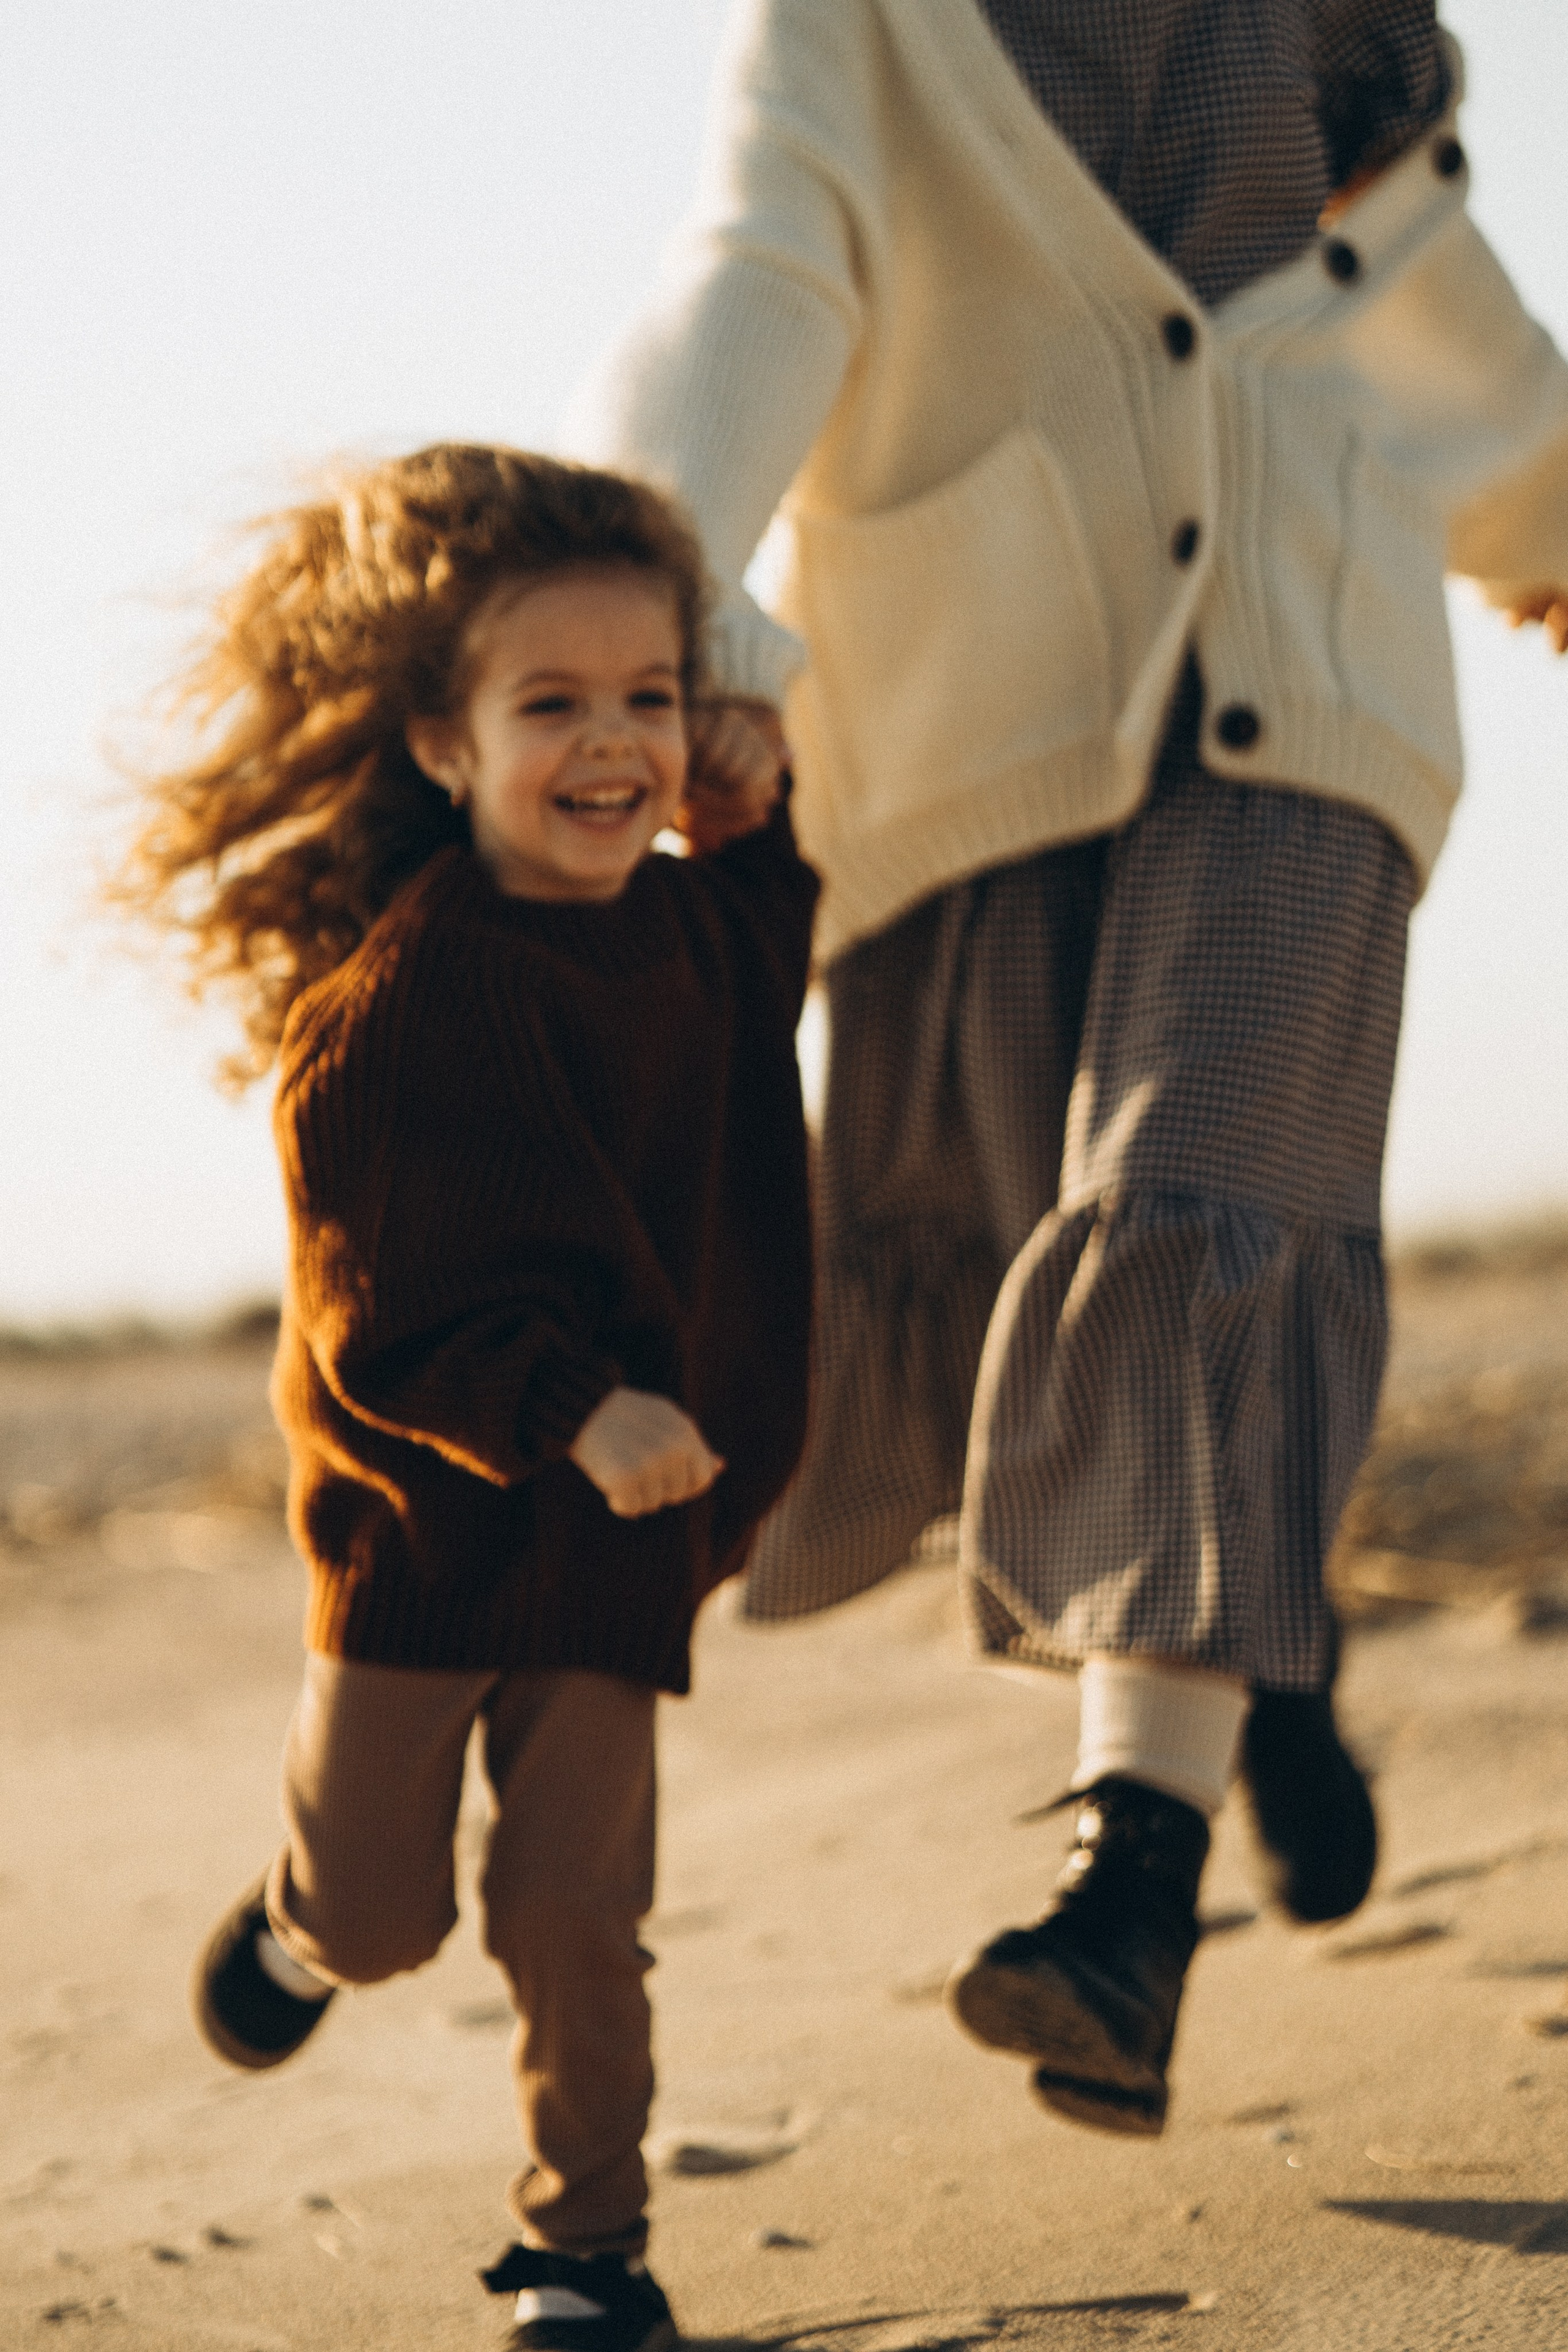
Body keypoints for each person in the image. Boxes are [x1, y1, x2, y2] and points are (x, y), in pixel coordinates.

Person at [564, 0, 1568, 2138]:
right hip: (974, 714)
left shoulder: (1331, 24)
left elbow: (1410, 289)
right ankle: (1259, 1669)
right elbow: (757, 266)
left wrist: (1550, 502)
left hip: (1307, 682)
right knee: (1032, 1245)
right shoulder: (858, 25)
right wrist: (653, 573)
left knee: (1197, 1196)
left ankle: (1127, 1894)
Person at [118, 446, 813, 2352]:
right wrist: (573, 1407)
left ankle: (583, 2252)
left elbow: (771, 948)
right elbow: (374, 1313)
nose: (615, 746)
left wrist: (759, 811)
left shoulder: (694, 939)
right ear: (444, 741)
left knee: (575, 1917)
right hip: (429, 1535)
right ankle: (292, 1925)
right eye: (554, 705)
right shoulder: (402, 1000)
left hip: (616, 1552)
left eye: (652, 698)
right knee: (383, 1918)